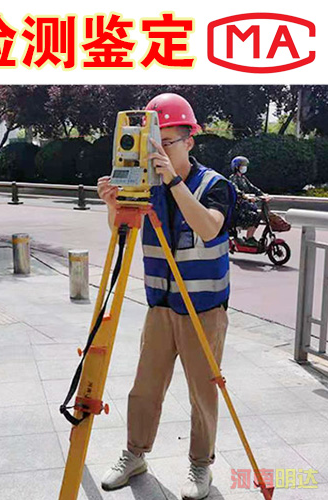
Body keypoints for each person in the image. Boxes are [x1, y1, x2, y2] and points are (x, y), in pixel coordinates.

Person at [97, 93, 236, 500]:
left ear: (190, 141)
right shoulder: (146, 186)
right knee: (145, 386)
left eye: (167, 142)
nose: (157, 151)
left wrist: (174, 183)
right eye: (152, 143)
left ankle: (200, 465)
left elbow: (208, 228)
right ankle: (134, 453)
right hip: (159, 305)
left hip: (204, 308)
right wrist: (112, 204)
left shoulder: (215, 185)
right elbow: (122, 232)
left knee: (202, 390)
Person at [228, 156, 270, 246]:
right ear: (236, 167)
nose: (244, 167)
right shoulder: (233, 178)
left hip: (246, 205)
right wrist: (244, 196)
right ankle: (248, 238)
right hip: (238, 207)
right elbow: (235, 189)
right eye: (242, 165)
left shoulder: (243, 178)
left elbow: (252, 187)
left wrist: (263, 194)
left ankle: (250, 237)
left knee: (258, 215)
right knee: (254, 216)